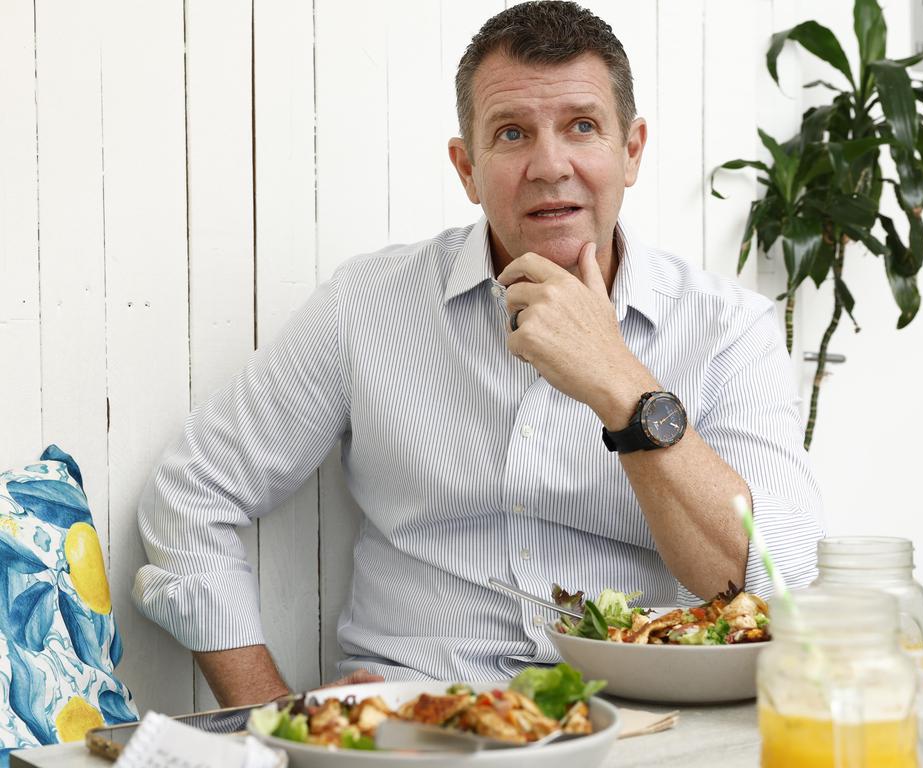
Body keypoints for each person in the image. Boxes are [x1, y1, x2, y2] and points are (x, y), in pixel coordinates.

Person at [134, 0, 823, 706]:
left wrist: (621, 385)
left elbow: (776, 579)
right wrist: (269, 714)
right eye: (512, 133)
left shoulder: (729, 329)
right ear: (467, 167)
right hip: (415, 724)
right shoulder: (365, 307)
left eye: (582, 126)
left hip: (648, 725)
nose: (550, 166)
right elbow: (191, 493)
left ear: (632, 150)